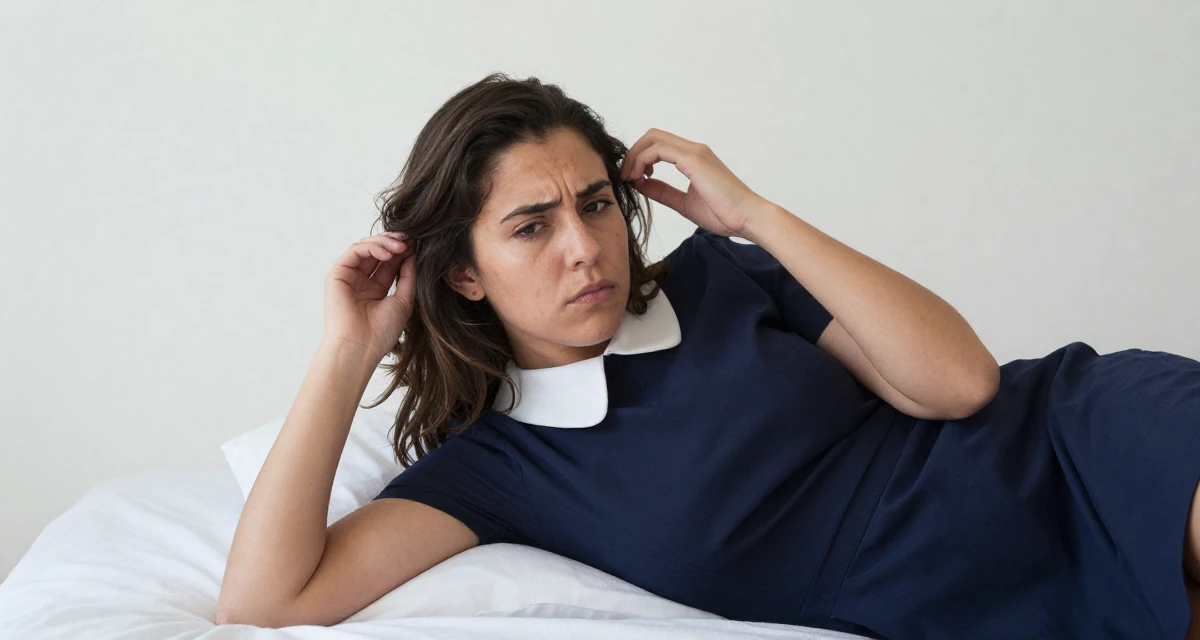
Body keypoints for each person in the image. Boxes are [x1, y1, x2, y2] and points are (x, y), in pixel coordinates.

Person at [217, 73, 1200, 639]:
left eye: (596, 202)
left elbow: (963, 385)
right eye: (530, 226)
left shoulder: (722, 277)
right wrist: (348, 350)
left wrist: (756, 217)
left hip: (1082, 439)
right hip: (987, 600)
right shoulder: (498, 468)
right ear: (464, 274)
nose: (583, 244)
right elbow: (264, 603)